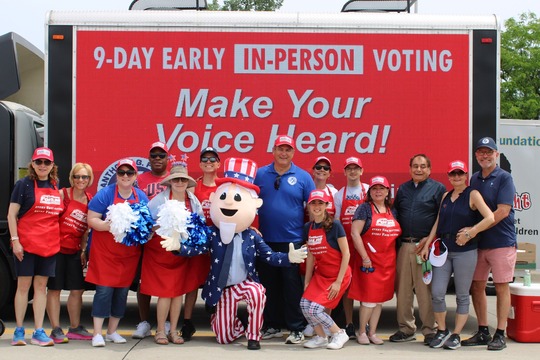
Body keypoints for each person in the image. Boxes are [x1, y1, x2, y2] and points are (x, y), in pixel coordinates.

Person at [160, 157, 308, 350]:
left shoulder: (252, 237)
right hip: (223, 289)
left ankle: (254, 336)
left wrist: (288, 258)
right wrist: (178, 247)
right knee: (223, 337)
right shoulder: (214, 233)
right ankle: (235, 326)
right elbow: (197, 249)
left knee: (257, 292)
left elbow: (270, 256)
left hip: (244, 284)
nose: (229, 204)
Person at [420, 160, 494, 350]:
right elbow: (437, 223)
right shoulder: (446, 195)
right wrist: (427, 244)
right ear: (448, 176)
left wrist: (471, 232)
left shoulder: (473, 194)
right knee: (437, 293)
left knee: (462, 295)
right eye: (453, 173)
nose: (456, 177)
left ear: (466, 175)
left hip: (465, 252)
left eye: (460, 173)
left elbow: (490, 217)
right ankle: (442, 330)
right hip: (443, 251)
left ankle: (456, 334)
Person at [254, 135, 315, 344]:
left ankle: (296, 328)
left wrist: (314, 236)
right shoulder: (260, 174)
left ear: (293, 153)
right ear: (273, 150)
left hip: (293, 241)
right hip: (265, 240)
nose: (284, 153)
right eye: (281, 149)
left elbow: (314, 207)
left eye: (288, 149)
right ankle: (271, 325)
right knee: (268, 285)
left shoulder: (304, 177)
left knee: (291, 287)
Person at [86, 158, 150, 347]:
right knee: (104, 291)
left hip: (128, 256)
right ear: (116, 174)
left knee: (122, 293)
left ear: (135, 176)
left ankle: (112, 331)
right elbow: (92, 219)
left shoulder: (141, 197)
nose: (125, 176)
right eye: (121, 172)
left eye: (129, 173)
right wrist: (110, 225)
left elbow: (146, 223)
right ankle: (97, 333)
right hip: (105, 253)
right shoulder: (105, 194)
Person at [463, 137, 517, 351]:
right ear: (476, 156)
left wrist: (474, 230)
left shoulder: (504, 178)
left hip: (501, 242)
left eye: (489, 152)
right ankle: (483, 331)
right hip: (479, 243)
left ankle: (500, 333)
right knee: (477, 286)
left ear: (496, 154)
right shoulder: (475, 179)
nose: (485, 156)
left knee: (502, 287)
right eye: (481, 152)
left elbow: (503, 212)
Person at [8, 147, 64, 347]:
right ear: (32, 164)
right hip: (26, 245)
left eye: (46, 163)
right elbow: (11, 214)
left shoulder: (55, 186)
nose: (42, 166)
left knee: (41, 288)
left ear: (52, 166)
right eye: (39, 162)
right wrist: (15, 241)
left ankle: (39, 331)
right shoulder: (23, 185)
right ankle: (19, 330)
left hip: (48, 246)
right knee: (23, 288)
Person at [142, 163, 202, 345]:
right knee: (165, 293)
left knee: (178, 293)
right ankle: (160, 331)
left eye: (183, 179)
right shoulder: (159, 200)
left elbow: (199, 223)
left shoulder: (192, 200)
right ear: (170, 182)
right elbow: (145, 222)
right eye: (176, 179)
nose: (180, 182)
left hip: (181, 253)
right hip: (161, 252)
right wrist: (160, 227)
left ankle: (173, 331)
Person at [389, 154, 446, 344]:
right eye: (415, 166)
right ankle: (406, 329)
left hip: (426, 248)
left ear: (429, 169)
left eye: (423, 166)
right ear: (410, 168)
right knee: (403, 290)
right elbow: (395, 214)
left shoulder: (438, 189)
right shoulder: (403, 189)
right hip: (405, 246)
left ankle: (430, 330)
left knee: (425, 291)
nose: (419, 169)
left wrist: (429, 241)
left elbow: (441, 219)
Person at [349, 176, 401, 345]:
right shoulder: (364, 208)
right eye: (374, 189)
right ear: (370, 192)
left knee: (379, 300)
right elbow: (355, 234)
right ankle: (362, 331)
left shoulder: (392, 210)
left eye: (382, 188)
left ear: (387, 192)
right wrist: (365, 257)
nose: (378, 191)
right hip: (369, 262)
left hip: (387, 262)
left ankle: (373, 332)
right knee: (368, 299)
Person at [46, 163, 94, 343]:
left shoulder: (90, 200)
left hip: (74, 250)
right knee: (55, 289)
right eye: (77, 176)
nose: (80, 180)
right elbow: (48, 220)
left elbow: (85, 231)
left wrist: (83, 250)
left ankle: (74, 328)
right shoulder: (62, 194)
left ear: (89, 179)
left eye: (84, 177)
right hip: (56, 249)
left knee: (77, 289)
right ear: (71, 178)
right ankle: (55, 329)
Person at [301, 190, 351, 350]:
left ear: (326, 205)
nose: (316, 206)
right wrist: (307, 280)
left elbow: (346, 254)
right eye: (313, 203)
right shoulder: (308, 227)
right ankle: (321, 337)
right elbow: (310, 256)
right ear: (308, 206)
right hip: (320, 275)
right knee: (304, 305)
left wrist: (338, 282)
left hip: (338, 275)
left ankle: (339, 333)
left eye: (320, 203)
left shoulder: (335, 225)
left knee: (315, 309)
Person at [181, 147, 220, 341]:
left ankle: (219, 319)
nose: (208, 162)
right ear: (200, 164)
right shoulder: (192, 188)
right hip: (198, 243)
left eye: (213, 159)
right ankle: (187, 322)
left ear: (218, 164)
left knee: (219, 282)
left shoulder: (224, 187)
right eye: (205, 159)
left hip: (219, 243)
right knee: (191, 283)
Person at [132, 141, 170, 339]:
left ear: (167, 158)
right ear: (149, 158)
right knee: (143, 281)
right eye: (154, 155)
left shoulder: (173, 179)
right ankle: (144, 321)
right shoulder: (139, 179)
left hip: (167, 239)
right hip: (146, 239)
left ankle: (168, 322)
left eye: (161, 155)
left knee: (170, 281)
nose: (157, 159)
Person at [333, 156, 369, 338]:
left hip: (364, 246)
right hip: (347, 247)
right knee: (347, 286)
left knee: (365, 284)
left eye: (356, 168)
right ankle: (349, 323)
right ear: (345, 172)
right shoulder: (339, 194)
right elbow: (337, 222)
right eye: (349, 168)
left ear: (362, 171)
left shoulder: (368, 191)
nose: (353, 171)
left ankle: (366, 323)